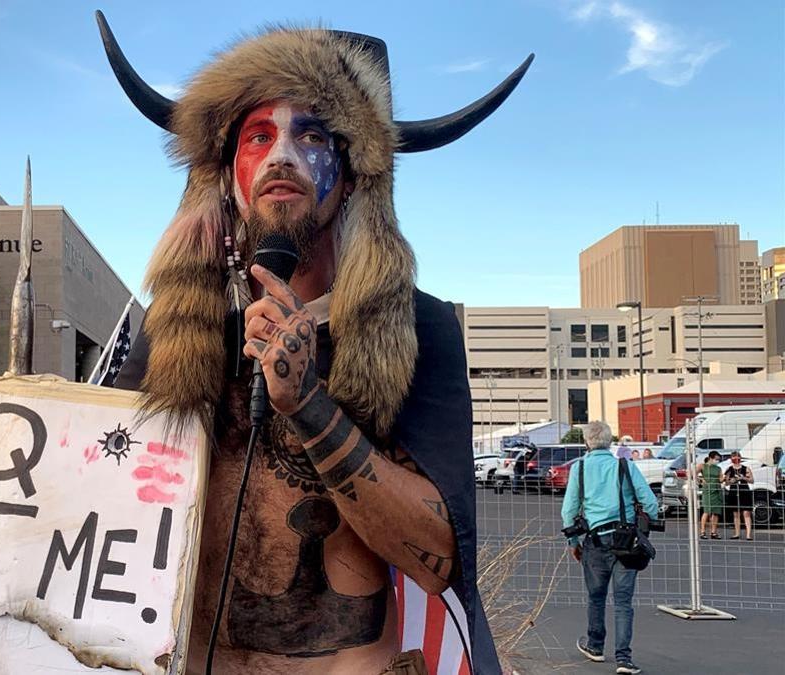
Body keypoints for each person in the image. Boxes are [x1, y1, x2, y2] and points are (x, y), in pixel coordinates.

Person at [100, 15, 532, 673]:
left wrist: (309, 406)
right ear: (226, 175)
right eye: (259, 136)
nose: (282, 157)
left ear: (355, 173)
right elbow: (90, 495)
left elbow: (440, 553)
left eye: (312, 135)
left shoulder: (420, 329)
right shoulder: (175, 332)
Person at [560, 420, 658, 675]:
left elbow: (569, 510)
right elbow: (650, 502)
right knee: (624, 601)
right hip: (625, 541)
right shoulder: (624, 466)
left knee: (596, 596)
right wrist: (643, 530)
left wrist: (573, 542)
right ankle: (624, 659)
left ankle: (595, 646)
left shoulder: (579, 468)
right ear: (611, 441)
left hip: (594, 541)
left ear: (586, 442)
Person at [723, 450, 754, 541]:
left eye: (737, 458)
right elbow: (726, 482)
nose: (736, 459)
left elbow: (752, 480)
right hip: (734, 491)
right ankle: (737, 533)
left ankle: (748, 534)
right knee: (736, 513)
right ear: (731, 458)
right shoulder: (729, 469)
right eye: (733, 458)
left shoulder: (746, 468)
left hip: (744, 490)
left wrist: (743, 477)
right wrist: (731, 481)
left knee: (746, 512)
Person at [698, 450, 723, 539]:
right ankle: (702, 531)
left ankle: (713, 532)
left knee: (716, 512)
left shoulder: (718, 468)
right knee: (707, 511)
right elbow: (693, 473)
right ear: (710, 458)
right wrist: (701, 479)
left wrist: (726, 478)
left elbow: (720, 479)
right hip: (707, 490)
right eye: (716, 459)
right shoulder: (702, 466)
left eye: (718, 460)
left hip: (716, 490)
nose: (717, 461)